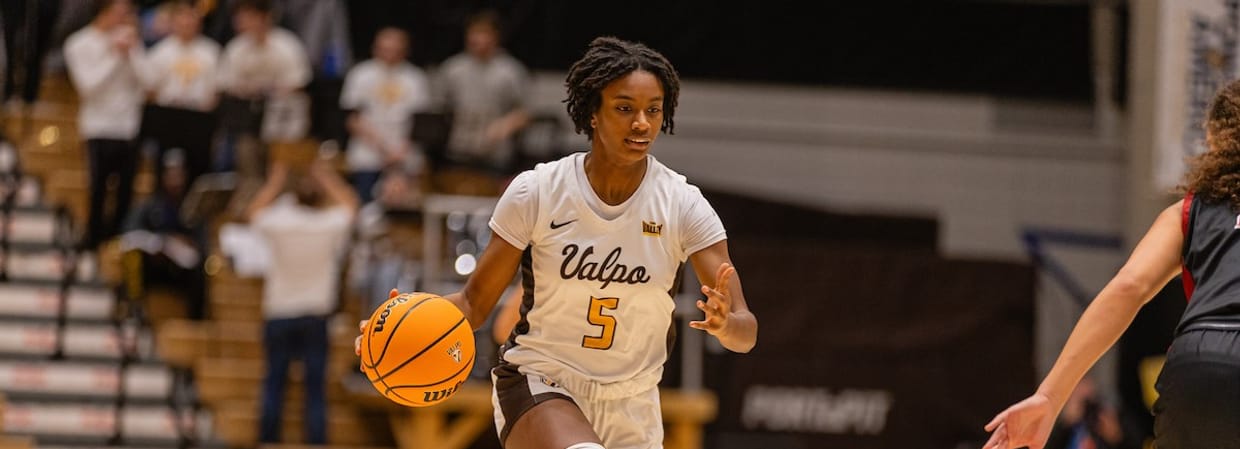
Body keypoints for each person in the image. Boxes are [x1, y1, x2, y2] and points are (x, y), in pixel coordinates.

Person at [357, 37, 758, 449]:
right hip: (541, 382)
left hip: (634, 401)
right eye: (624, 108)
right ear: (593, 113)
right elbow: (474, 304)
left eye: (653, 110)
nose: (642, 122)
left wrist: (728, 325)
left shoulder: (682, 204)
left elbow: (747, 331)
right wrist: (402, 324)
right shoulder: (538, 191)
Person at [982, 78, 1240, 449]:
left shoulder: (1187, 212)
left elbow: (1127, 287)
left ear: (1216, 145)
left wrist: (1051, 397)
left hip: (1195, 366)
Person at [247, 158, 358, 445]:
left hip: (279, 314)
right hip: (314, 316)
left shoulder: (280, 222)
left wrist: (275, 181)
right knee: (315, 390)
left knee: (274, 384)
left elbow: (253, 212)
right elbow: (351, 206)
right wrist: (326, 176)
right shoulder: (327, 224)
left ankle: (267, 442)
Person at [63, 0, 144, 250]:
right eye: (120, 12)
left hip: (129, 125)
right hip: (97, 125)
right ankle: (93, 241)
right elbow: (89, 87)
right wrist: (115, 56)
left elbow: (148, 81)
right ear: (104, 12)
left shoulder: (130, 40)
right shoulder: (79, 42)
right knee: (98, 188)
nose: (124, 17)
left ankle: (115, 243)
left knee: (125, 192)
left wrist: (131, 53)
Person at [214, 0, 310, 172]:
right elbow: (226, 85)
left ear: (265, 17)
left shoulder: (288, 44)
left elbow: (299, 84)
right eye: (240, 16)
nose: (242, 21)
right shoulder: (235, 48)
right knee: (247, 164)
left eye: (249, 16)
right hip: (246, 121)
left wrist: (267, 90)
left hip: (283, 123)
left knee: (282, 169)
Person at [339, 27, 430, 204]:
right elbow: (352, 119)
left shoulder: (416, 78)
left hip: (404, 156)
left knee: (405, 211)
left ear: (405, 51)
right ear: (375, 48)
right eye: (385, 49)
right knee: (365, 206)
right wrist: (383, 148)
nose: (390, 55)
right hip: (368, 155)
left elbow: (421, 121)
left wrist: (400, 150)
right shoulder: (360, 74)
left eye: (396, 50)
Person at [433, 9, 530, 175]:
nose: (477, 39)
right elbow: (438, 108)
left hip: (495, 153)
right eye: (474, 34)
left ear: (495, 37)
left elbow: (525, 112)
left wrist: (504, 126)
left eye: (483, 34)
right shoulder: (453, 69)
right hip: (459, 149)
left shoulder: (511, 71)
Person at [137, 0, 220, 186]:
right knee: (162, 170)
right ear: (174, 21)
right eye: (182, 17)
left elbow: (217, 90)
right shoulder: (160, 51)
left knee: (198, 170)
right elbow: (149, 88)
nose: (187, 23)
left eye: (191, 18)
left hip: (198, 117)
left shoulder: (211, 52)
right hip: (168, 116)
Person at [121, 148, 206, 320]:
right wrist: (158, 243)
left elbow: (201, 243)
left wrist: (188, 242)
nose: (175, 181)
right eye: (171, 175)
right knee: (134, 257)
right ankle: (134, 307)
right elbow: (130, 230)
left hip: (180, 271)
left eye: (179, 175)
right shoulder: (151, 204)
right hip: (154, 267)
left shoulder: (192, 208)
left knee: (201, 270)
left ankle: (195, 320)